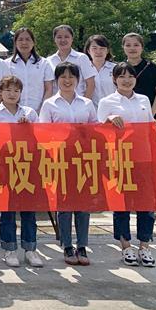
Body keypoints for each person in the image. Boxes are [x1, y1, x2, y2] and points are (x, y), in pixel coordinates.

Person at [98, 62, 156, 268]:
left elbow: (150, 126)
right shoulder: (106, 102)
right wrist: (109, 119)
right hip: (120, 159)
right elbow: (98, 129)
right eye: (121, 76)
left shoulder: (144, 99)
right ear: (114, 79)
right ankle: (125, 245)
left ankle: (144, 245)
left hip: (144, 157)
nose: (126, 80)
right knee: (122, 204)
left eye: (130, 76)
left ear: (135, 79)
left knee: (146, 203)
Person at [39, 61, 98, 266]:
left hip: (83, 159)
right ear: (56, 80)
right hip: (59, 159)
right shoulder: (49, 104)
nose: (67, 80)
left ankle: (82, 245)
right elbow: (43, 133)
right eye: (63, 77)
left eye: (71, 76)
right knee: (64, 205)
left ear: (78, 80)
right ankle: (66, 245)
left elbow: (95, 129)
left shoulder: (87, 103)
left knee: (83, 204)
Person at [0, 76, 44, 268]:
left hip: (27, 164)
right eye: (8, 90)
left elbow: (40, 139)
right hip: (4, 165)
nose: (12, 94)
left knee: (29, 210)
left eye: (16, 91)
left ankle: (30, 249)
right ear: (0, 92)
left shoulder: (30, 113)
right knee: (8, 210)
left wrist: (28, 129)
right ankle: (9, 249)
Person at [121, 32, 156, 154]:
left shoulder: (151, 67)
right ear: (123, 47)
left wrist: (151, 113)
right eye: (128, 45)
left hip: (149, 117)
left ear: (142, 47)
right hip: (126, 119)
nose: (132, 48)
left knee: (151, 154)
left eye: (136, 45)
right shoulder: (119, 68)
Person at [44, 25, 95, 99]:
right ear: (54, 39)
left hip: (78, 102)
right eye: (59, 37)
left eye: (66, 37)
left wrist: (84, 103)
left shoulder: (81, 58)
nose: (63, 40)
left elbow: (91, 84)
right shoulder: (48, 61)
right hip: (56, 103)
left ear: (72, 39)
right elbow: (48, 87)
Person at [6, 27, 50, 112]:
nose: (24, 43)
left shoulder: (44, 63)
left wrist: (41, 110)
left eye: (27, 39)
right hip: (13, 112)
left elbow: (48, 89)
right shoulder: (7, 64)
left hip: (39, 111)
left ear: (33, 42)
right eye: (20, 39)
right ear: (15, 42)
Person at [84, 34, 116, 107]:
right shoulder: (83, 68)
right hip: (89, 110)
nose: (98, 51)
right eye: (94, 48)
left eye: (102, 48)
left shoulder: (115, 68)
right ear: (88, 51)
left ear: (107, 50)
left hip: (111, 110)